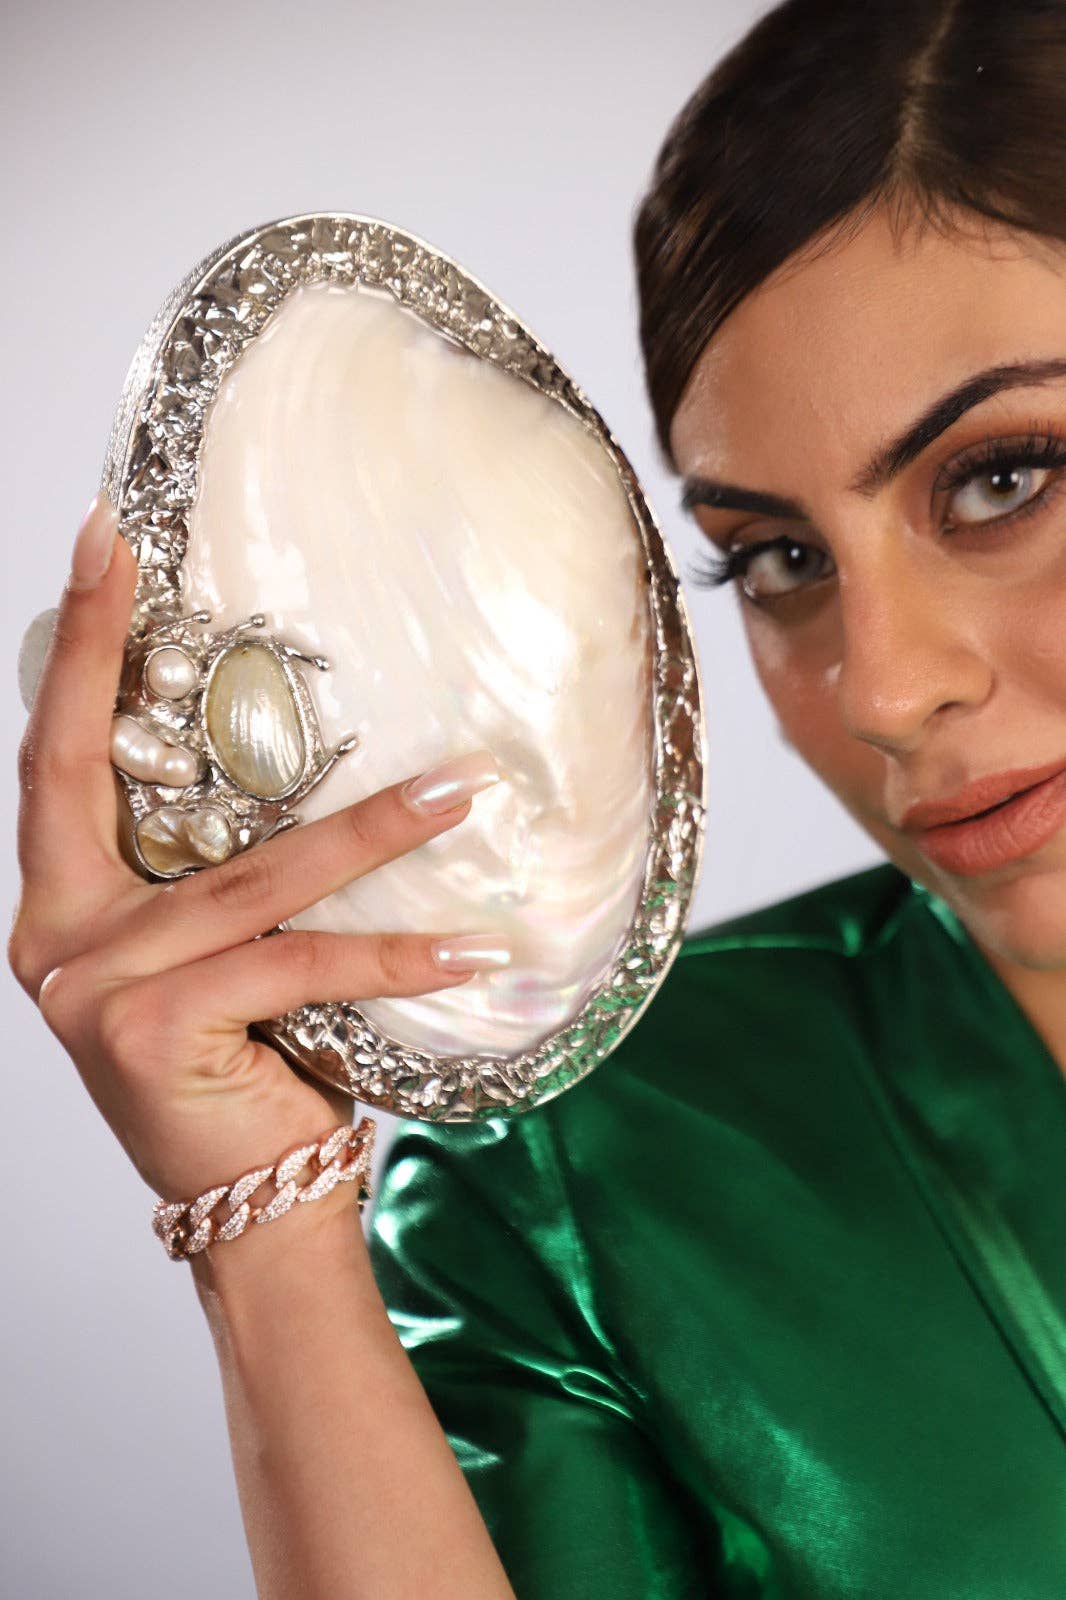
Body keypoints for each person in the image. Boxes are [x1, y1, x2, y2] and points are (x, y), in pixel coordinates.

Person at [12, 0, 1066, 1594]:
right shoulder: (590, 1181)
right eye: (777, 557)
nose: (878, 687)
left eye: (1001, 477)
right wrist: (264, 1231)